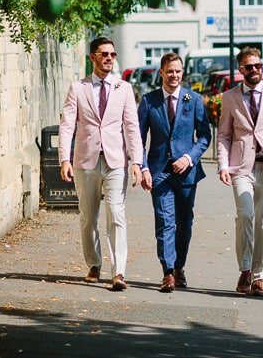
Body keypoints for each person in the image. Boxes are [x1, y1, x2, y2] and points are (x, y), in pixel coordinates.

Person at [59, 37, 143, 291]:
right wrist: (64, 158)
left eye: (112, 54)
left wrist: (137, 161)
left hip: (116, 160)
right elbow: (67, 125)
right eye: (104, 54)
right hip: (86, 160)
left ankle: (119, 272)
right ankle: (94, 264)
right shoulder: (78, 88)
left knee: (116, 213)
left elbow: (132, 127)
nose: (109, 58)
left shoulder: (124, 89)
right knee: (88, 216)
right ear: (92, 57)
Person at [216, 47, 263, 297]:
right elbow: (224, 135)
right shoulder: (230, 97)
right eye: (250, 67)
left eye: (259, 66)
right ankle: (246, 269)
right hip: (242, 167)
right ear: (241, 70)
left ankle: (260, 277)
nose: (255, 70)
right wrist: (223, 165)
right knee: (246, 215)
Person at [137, 53, 212, 292]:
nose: (174, 75)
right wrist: (143, 167)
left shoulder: (194, 99)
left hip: (187, 173)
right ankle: (167, 272)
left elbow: (204, 136)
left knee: (184, 223)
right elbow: (137, 138)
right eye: (170, 71)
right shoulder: (149, 101)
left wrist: (189, 158)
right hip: (159, 172)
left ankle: (180, 267)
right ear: (161, 72)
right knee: (165, 222)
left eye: (178, 71)